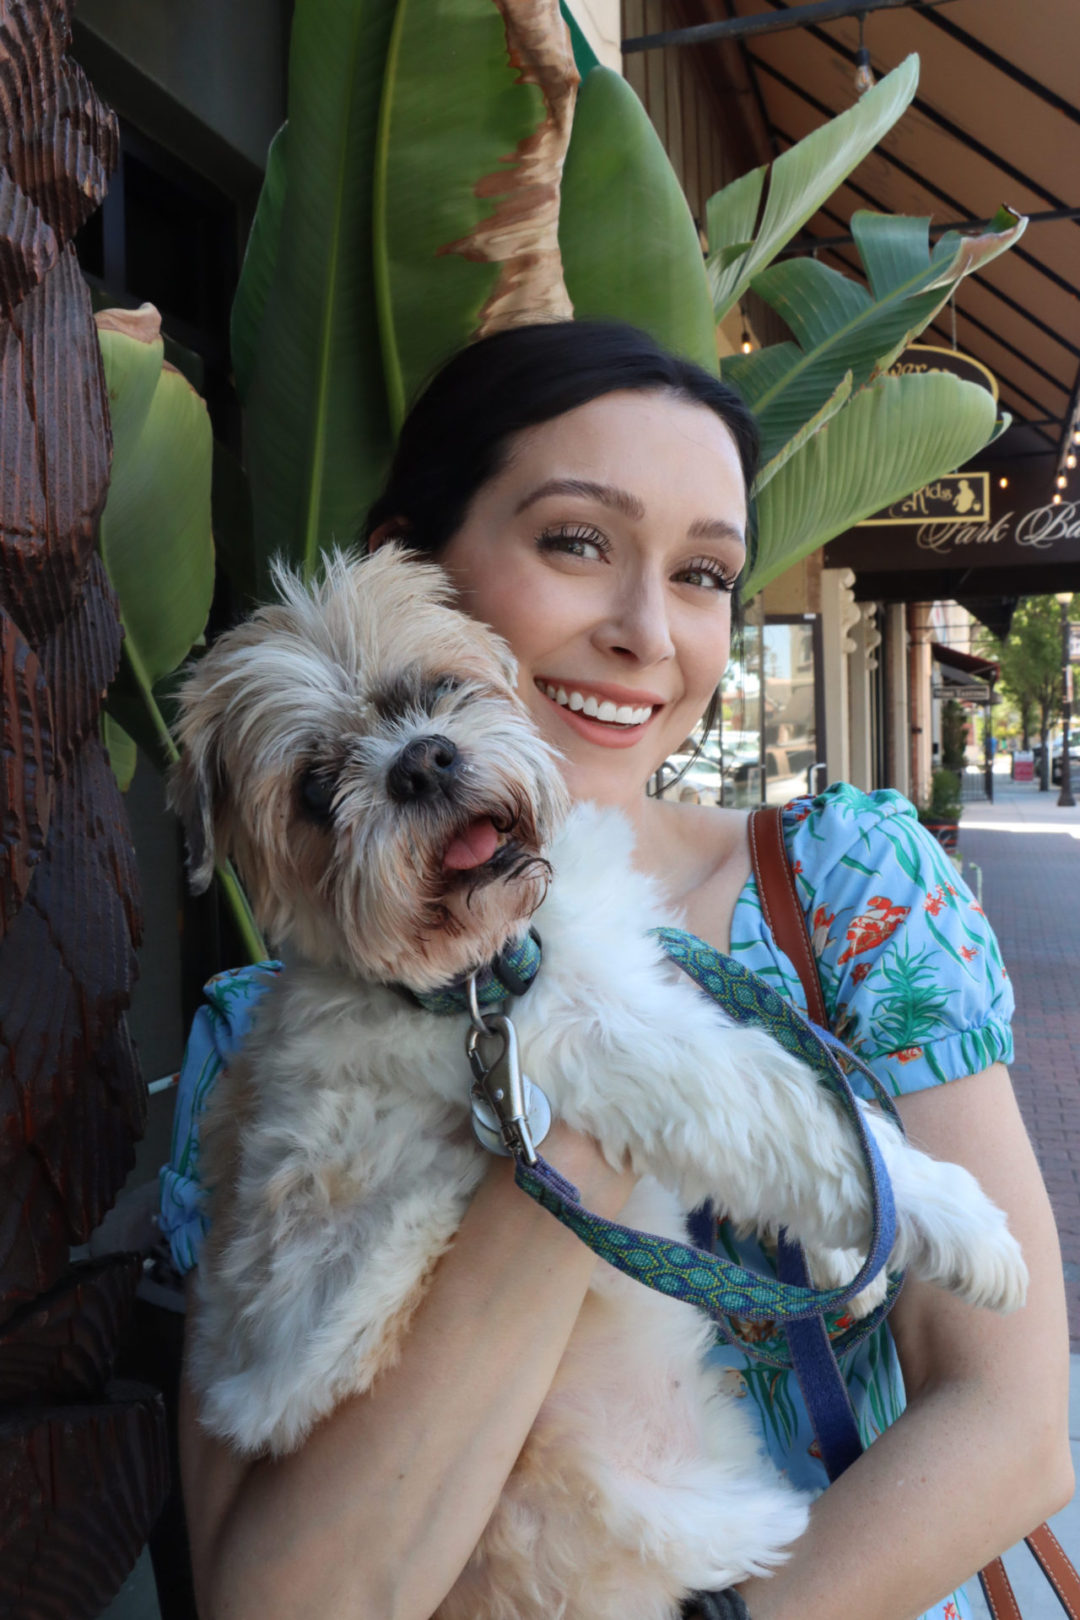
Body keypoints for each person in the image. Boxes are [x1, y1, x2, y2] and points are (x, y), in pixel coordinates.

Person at [165, 321, 1072, 1620]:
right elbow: (277, 1601)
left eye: (704, 573)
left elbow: (1014, 1426)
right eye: (576, 542)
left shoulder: (846, 890)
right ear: (411, 567)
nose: (647, 633)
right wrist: (570, 1116)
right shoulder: (258, 1053)